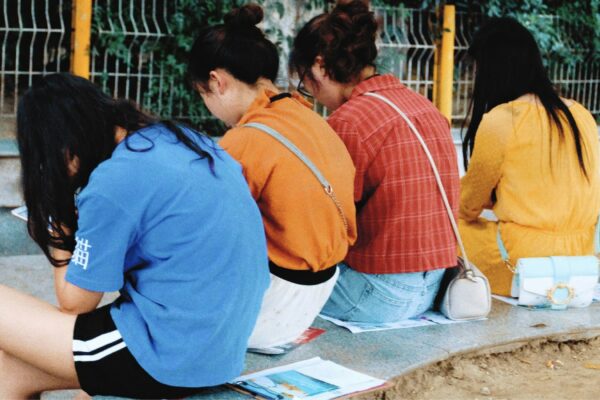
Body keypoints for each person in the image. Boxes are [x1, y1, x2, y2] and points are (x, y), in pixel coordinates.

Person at [0, 73, 269, 398]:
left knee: (9, 360)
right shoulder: (176, 138)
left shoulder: (113, 182)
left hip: (170, 352)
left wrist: (57, 222)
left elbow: (75, 304)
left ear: (62, 146)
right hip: (219, 343)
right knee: (11, 369)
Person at [188, 4, 357, 349]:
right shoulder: (308, 118)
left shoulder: (245, 139)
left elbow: (203, 228)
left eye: (203, 94)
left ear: (217, 82)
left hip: (271, 306)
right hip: (318, 293)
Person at [289, 0, 460, 324]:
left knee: (274, 286)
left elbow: (321, 224)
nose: (309, 91)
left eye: (304, 81)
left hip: (377, 295)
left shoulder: (349, 122)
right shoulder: (423, 106)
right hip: (436, 287)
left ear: (320, 66)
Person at [457, 17, 600, 296]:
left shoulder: (503, 120)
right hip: (581, 258)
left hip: (522, 261)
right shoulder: (581, 114)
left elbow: (466, 205)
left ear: (491, 68)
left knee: (449, 226)